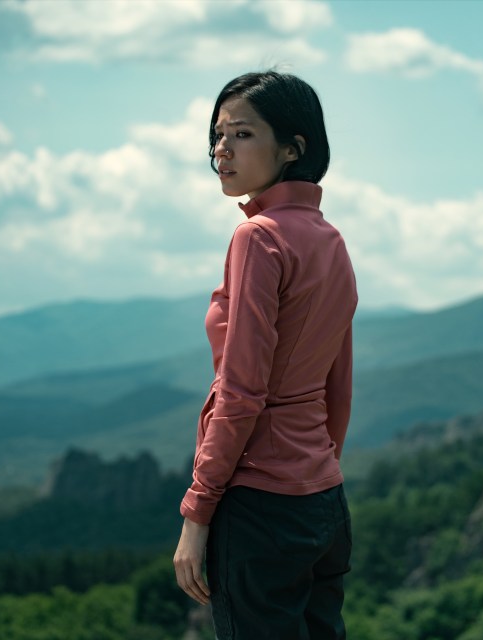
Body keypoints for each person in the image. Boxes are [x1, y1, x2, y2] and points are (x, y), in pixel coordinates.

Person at [173, 71, 357, 640]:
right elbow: (338, 384)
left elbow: (241, 389)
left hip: (259, 508)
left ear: (292, 148)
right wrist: (316, 474)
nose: (221, 149)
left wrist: (197, 513)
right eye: (217, 135)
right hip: (324, 501)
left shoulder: (258, 238)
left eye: (242, 134)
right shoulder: (329, 238)